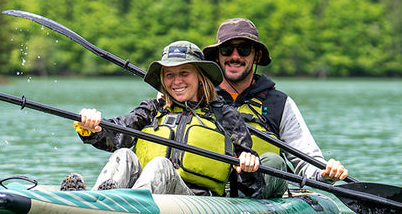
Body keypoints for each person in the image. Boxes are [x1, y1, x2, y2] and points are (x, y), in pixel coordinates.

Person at [60, 40, 264, 198]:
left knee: (161, 165)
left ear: (201, 76)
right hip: (150, 197)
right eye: (169, 75)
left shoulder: (225, 116)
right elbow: (118, 133)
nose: (176, 81)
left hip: (197, 203)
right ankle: (93, 202)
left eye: (184, 73)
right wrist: (93, 127)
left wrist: (248, 166)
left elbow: (252, 185)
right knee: (125, 155)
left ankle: (118, 206)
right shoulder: (152, 109)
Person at [202, 18, 348, 198]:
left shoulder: (279, 103)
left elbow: (306, 160)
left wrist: (325, 174)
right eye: (226, 49)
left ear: (256, 56)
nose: (235, 56)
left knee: (274, 161)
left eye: (244, 49)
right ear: (217, 55)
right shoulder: (200, 98)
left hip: (262, 195)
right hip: (211, 197)